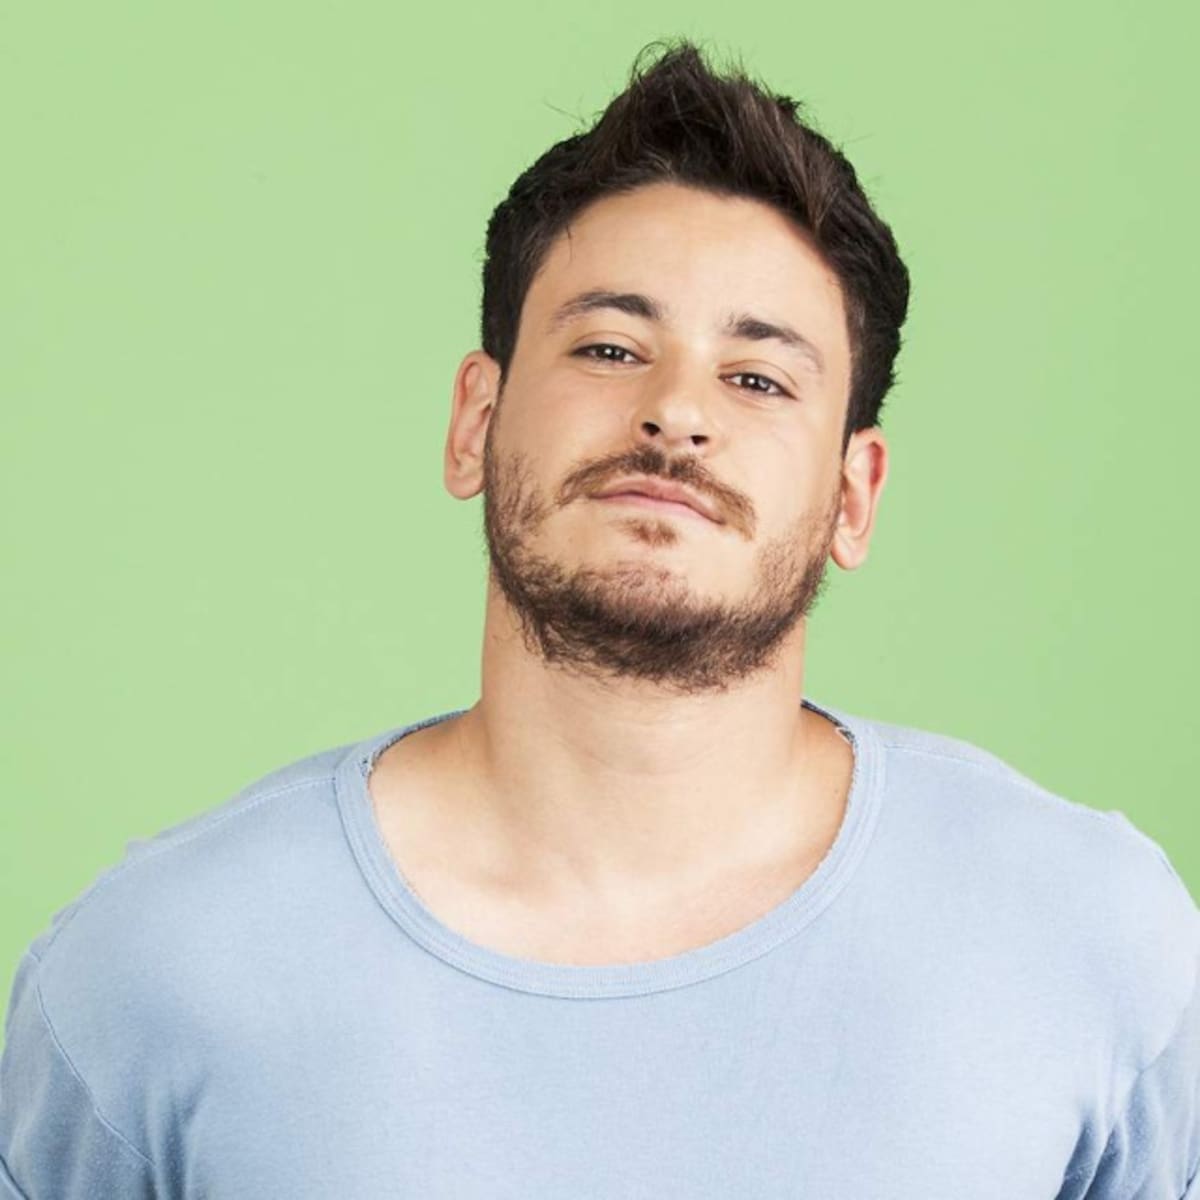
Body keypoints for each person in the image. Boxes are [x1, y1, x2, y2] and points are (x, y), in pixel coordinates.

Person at [1, 37, 1196, 1200]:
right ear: (476, 423)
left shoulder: (1090, 939)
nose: (676, 412)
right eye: (611, 347)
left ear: (854, 494)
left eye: (758, 378)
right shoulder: (157, 971)